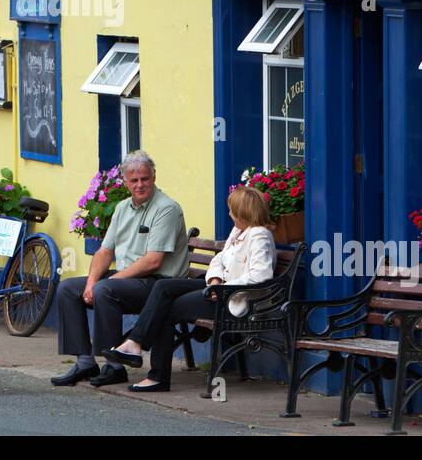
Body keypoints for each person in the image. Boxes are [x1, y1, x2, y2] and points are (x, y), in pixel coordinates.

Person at [103, 185, 277, 392]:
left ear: (242, 211)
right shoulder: (239, 230)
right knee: (164, 287)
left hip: (234, 301)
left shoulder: (259, 235)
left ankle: (151, 368)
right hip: (218, 289)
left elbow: (261, 276)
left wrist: (223, 288)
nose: (229, 212)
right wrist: (214, 280)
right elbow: (218, 260)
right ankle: (134, 344)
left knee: (166, 308)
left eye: (232, 208)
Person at [50, 151, 189, 388]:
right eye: (134, 180)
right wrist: (91, 282)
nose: (140, 185)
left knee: (106, 289)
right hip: (127, 280)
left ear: (154, 177)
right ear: (125, 182)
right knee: (68, 288)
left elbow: (153, 261)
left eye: (145, 178)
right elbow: (105, 251)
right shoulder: (122, 207)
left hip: (158, 284)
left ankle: (114, 366)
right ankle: (85, 361)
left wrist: (109, 281)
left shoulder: (166, 208)